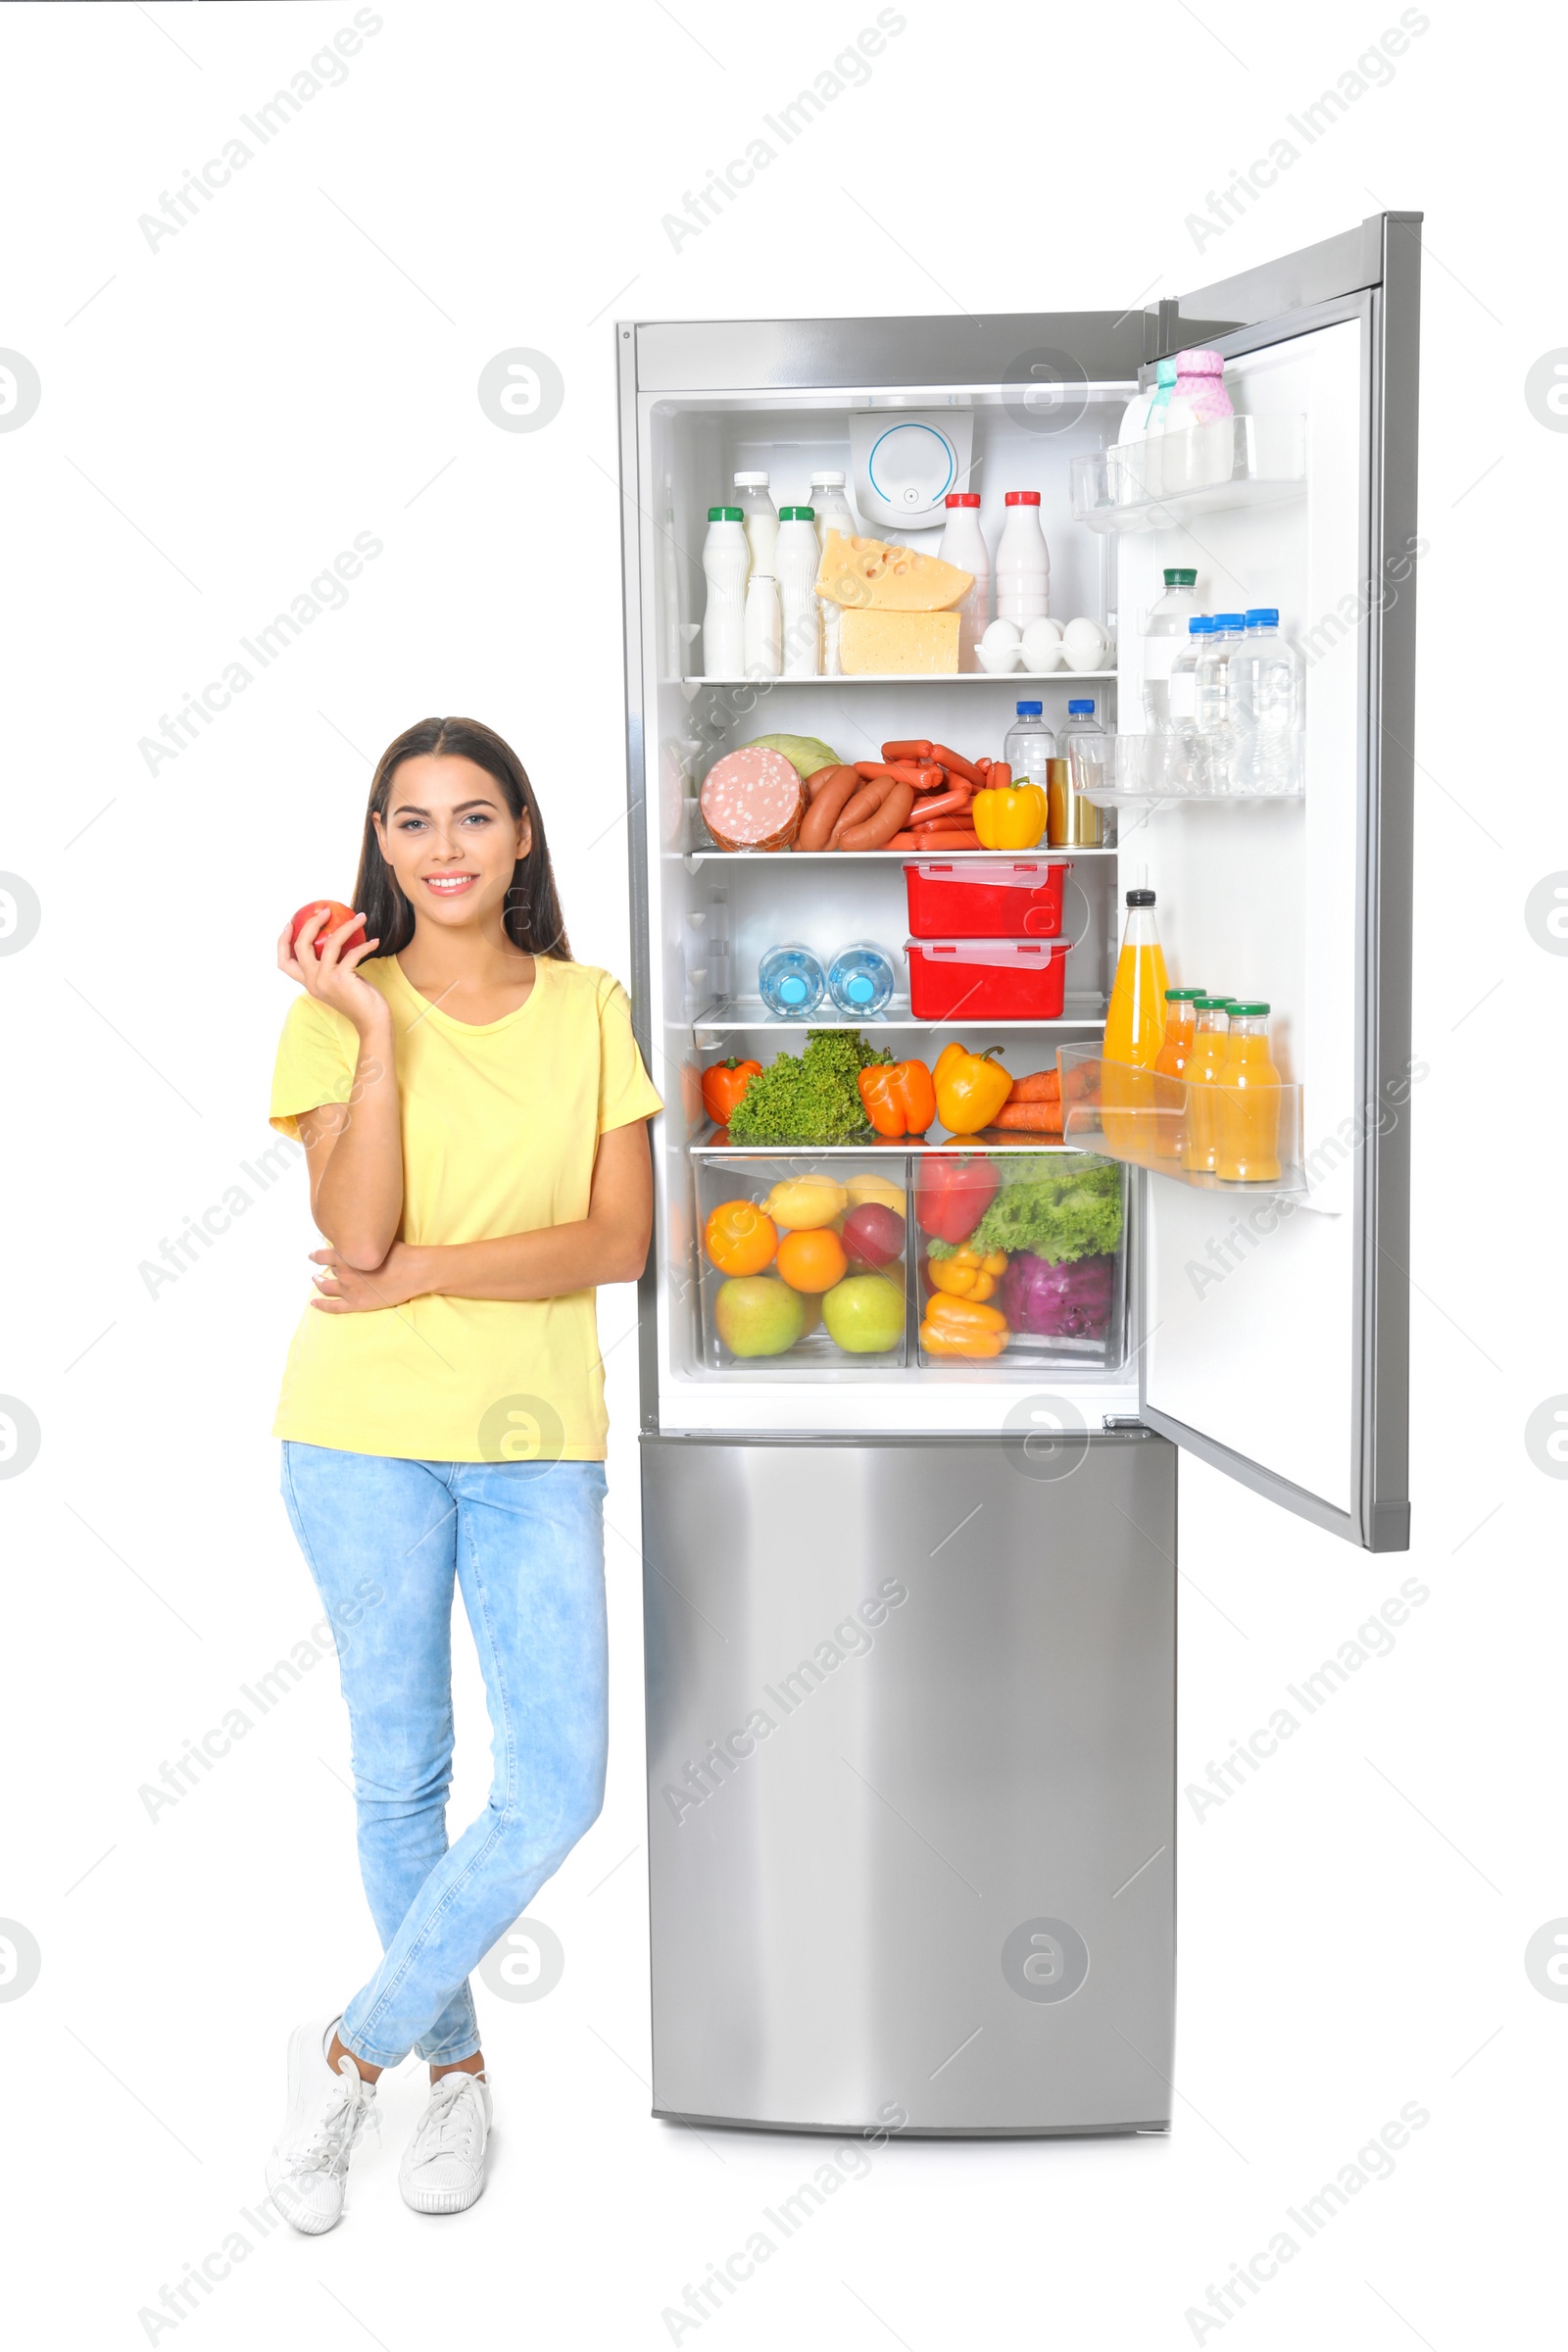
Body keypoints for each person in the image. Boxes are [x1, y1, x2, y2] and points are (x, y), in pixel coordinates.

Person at [264, 715, 660, 2230]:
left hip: (531, 1440)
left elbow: (616, 1243)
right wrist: (369, 1036)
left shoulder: (586, 1009)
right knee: (405, 1778)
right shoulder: (333, 1012)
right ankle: (458, 2080)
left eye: (472, 818)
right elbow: (351, 1239)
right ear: (381, 840)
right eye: (412, 822)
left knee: (554, 1784)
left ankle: (350, 2057)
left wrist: (432, 1264)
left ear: (522, 839)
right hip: (357, 1437)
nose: (443, 850)